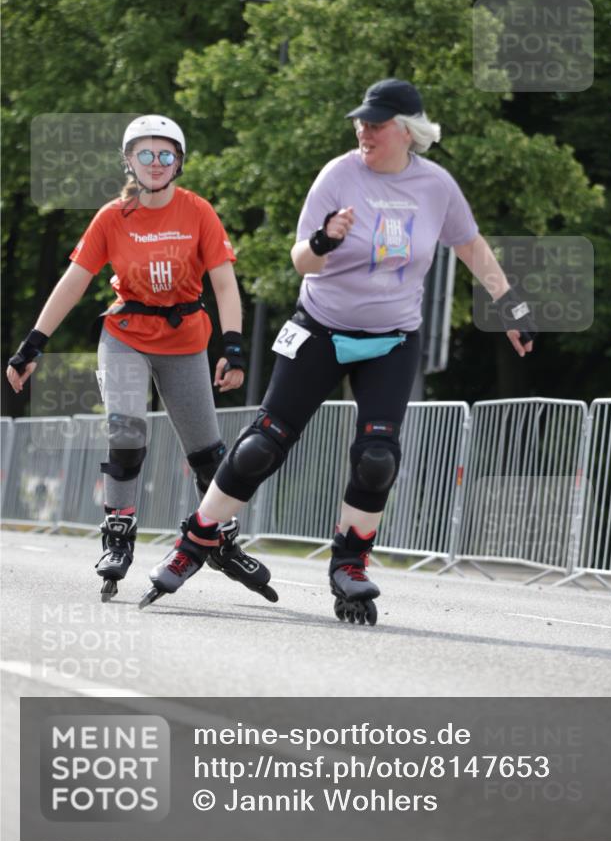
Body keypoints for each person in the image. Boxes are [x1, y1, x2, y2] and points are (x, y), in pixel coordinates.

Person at [141, 80, 536, 622]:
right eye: (361, 123)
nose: (363, 131)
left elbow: (469, 244)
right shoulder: (339, 174)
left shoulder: (436, 186)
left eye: (376, 124)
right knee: (262, 445)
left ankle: (350, 564)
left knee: (378, 459)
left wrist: (509, 304)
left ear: (407, 130)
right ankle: (195, 542)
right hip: (321, 329)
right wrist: (326, 239)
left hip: (392, 341)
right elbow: (302, 260)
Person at [6, 114, 277, 605]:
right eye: (145, 154)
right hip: (126, 332)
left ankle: (221, 537)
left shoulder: (198, 212)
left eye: (166, 154)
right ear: (129, 160)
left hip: (185, 337)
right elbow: (74, 281)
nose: (156, 163)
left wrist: (233, 346)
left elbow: (223, 282)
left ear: (179, 162)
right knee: (127, 429)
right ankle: (118, 532)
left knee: (208, 454)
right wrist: (32, 344)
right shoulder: (113, 215)